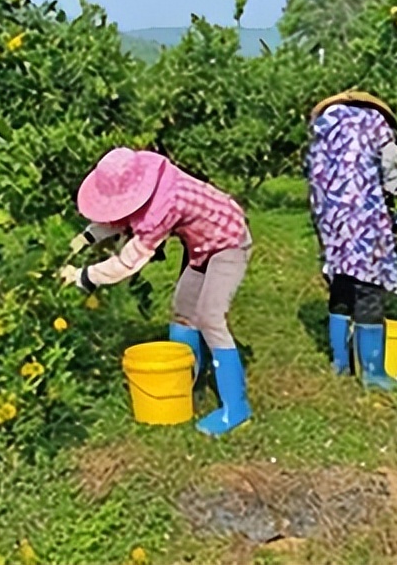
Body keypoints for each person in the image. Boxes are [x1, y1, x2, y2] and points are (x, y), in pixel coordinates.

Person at [60, 147, 254, 436]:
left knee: (210, 318)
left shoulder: (164, 205)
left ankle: (236, 408)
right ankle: (187, 381)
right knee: (183, 311)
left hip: (229, 244)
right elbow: (118, 218)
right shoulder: (147, 182)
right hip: (202, 248)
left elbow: (128, 262)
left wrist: (83, 277)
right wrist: (82, 240)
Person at [305, 90, 397, 391]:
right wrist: (394, 193)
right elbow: (392, 167)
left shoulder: (324, 128)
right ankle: (373, 374)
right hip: (364, 215)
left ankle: (341, 363)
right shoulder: (375, 123)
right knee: (368, 289)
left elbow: (314, 176)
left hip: (331, 217)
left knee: (342, 283)